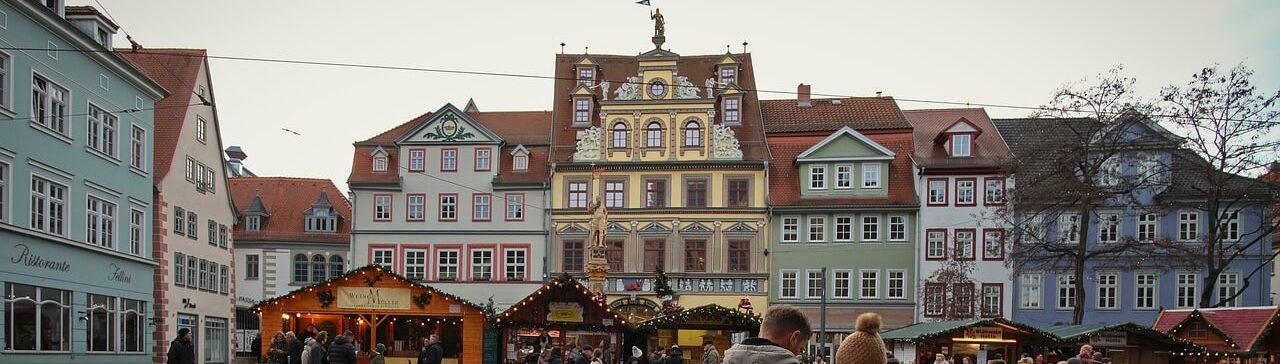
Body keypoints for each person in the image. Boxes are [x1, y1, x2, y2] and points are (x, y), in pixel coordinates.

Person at [723, 305, 811, 364]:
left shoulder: (728, 360)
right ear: (794, 338)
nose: (799, 354)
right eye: (801, 349)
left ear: (761, 332)